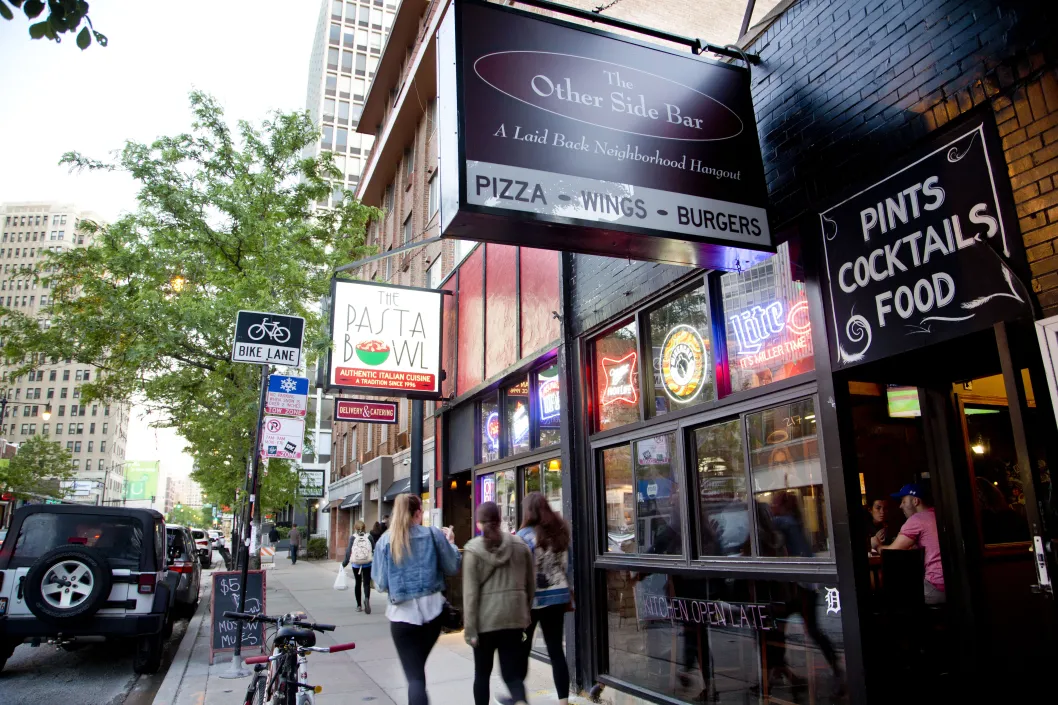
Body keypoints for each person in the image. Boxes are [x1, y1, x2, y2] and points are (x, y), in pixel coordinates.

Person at [374, 494, 460, 705]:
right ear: (418, 514)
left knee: (415, 676)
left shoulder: (387, 540)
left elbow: (381, 584)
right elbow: (452, 567)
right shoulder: (433, 535)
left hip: (402, 617)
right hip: (432, 615)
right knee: (417, 672)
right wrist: (451, 545)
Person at [464, 502, 533, 705]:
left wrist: (470, 631)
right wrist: (524, 613)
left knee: (482, 675)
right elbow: (530, 585)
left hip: (485, 622)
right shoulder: (520, 546)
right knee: (512, 675)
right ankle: (520, 702)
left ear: (478, 523)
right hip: (513, 618)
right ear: (499, 519)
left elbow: (470, 595)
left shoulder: (472, 550)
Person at [516, 492, 571, 705]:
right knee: (556, 651)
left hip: (531, 602)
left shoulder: (523, 536)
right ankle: (563, 701)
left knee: (523, 649)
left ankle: (519, 698)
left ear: (528, 511)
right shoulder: (560, 532)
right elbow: (568, 566)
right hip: (557, 598)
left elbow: (519, 571)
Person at [885, 484, 945, 604]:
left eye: (903, 501)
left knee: (896, 600)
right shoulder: (938, 514)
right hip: (957, 587)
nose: (900, 506)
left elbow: (890, 553)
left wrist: (876, 545)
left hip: (937, 587)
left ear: (915, 501)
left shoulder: (917, 519)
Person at [343, 520, 375, 613]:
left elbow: (349, 552)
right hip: (367, 563)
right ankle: (366, 599)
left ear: (355, 528)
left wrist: (344, 563)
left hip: (356, 564)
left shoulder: (353, 537)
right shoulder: (369, 536)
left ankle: (359, 605)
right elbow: (373, 549)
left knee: (357, 583)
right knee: (366, 583)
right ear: (364, 527)